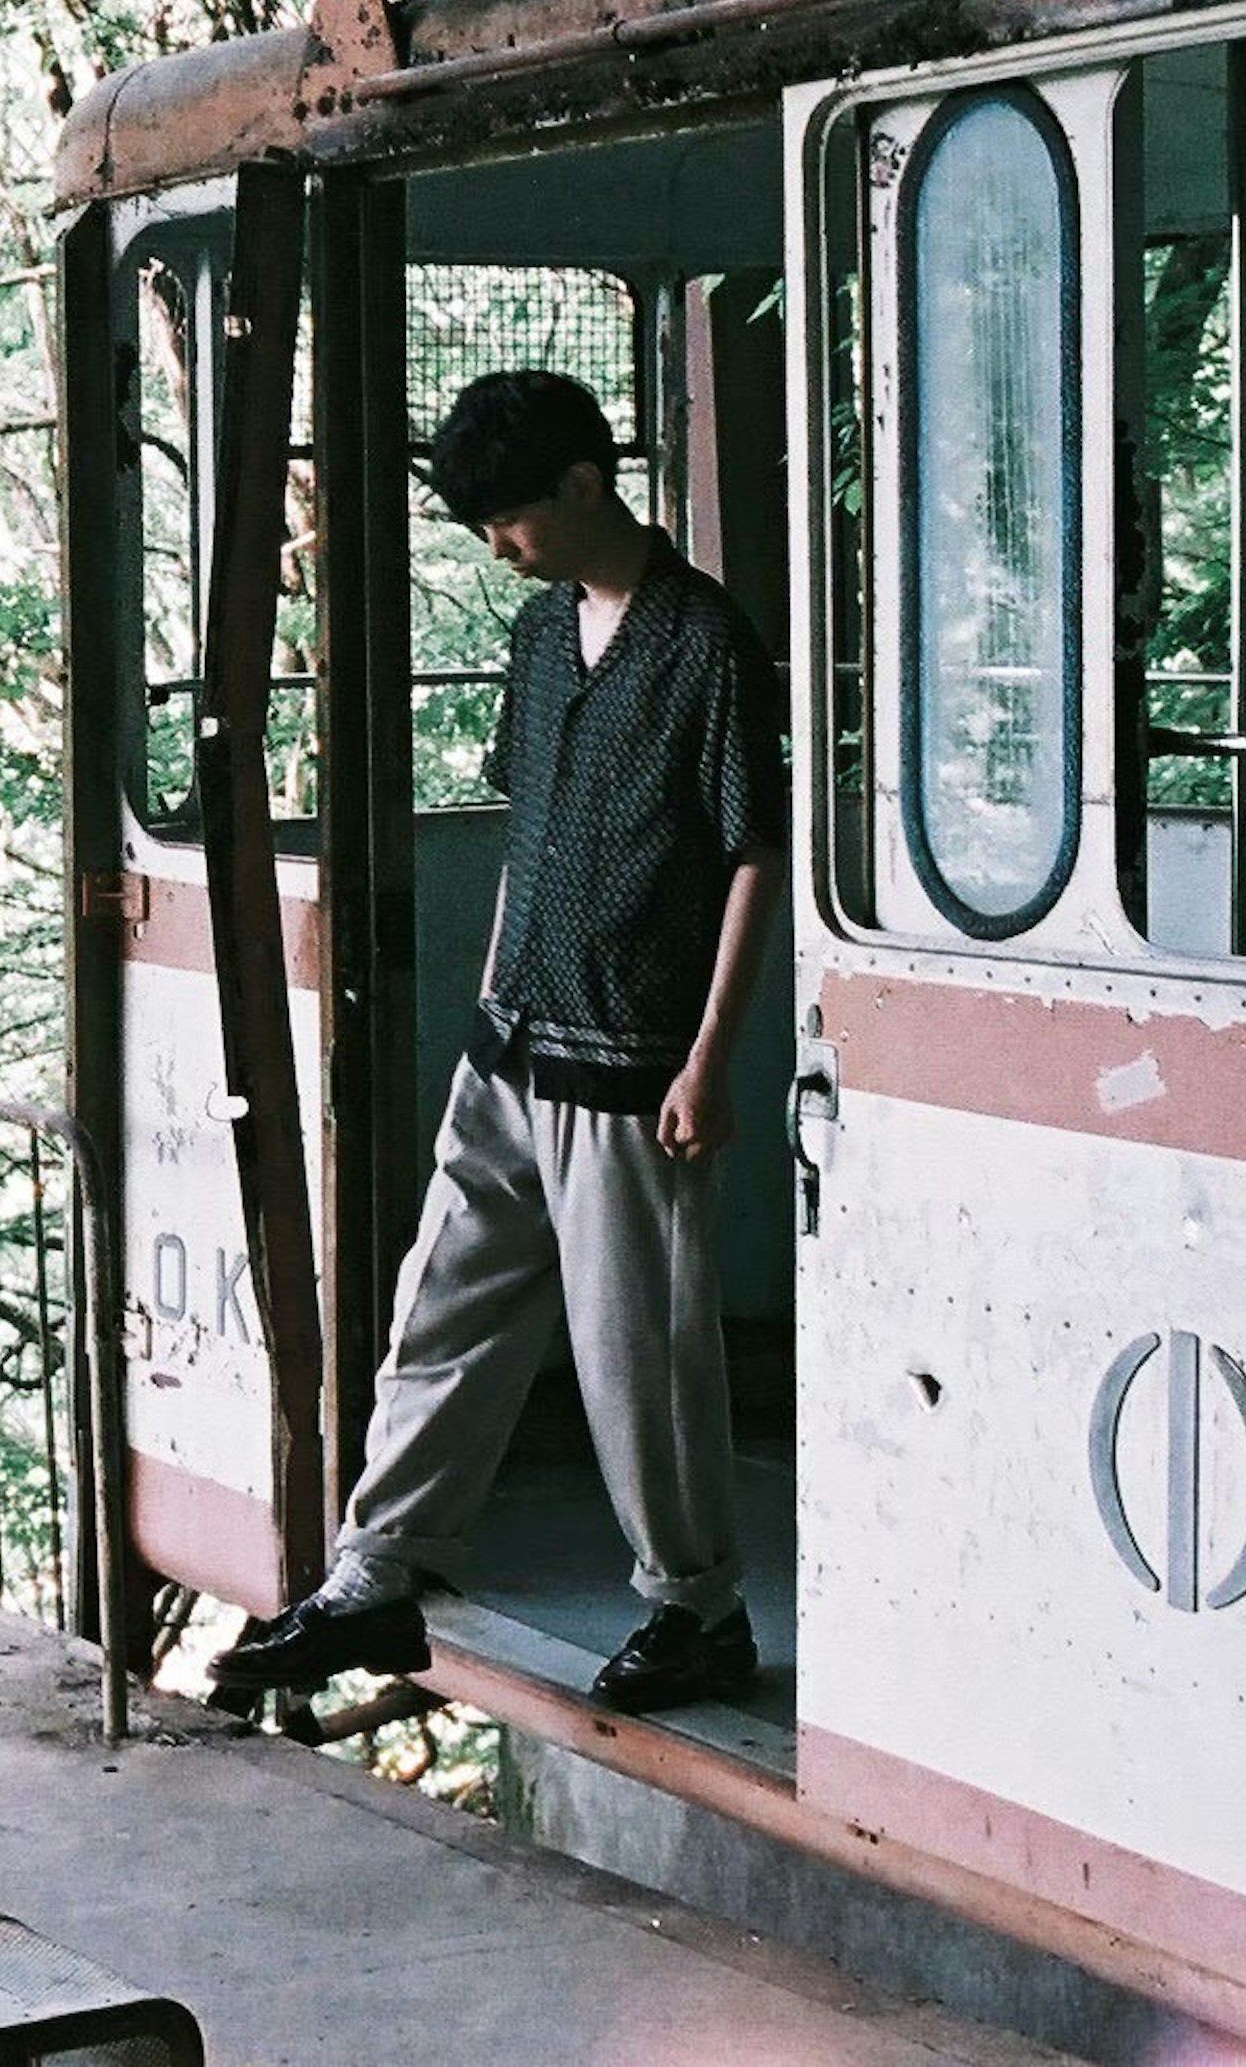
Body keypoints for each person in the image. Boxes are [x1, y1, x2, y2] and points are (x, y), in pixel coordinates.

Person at [211, 366, 781, 1716]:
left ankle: (699, 1608)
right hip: (510, 1052)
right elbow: (529, 835)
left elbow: (756, 851)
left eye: (510, 520)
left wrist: (712, 1058)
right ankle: (377, 1578)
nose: (498, 547)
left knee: (637, 1358)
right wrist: (485, 1000)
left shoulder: (706, 643)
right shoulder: (539, 641)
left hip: (634, 1064)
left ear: (586, 486)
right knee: (441, 1318)